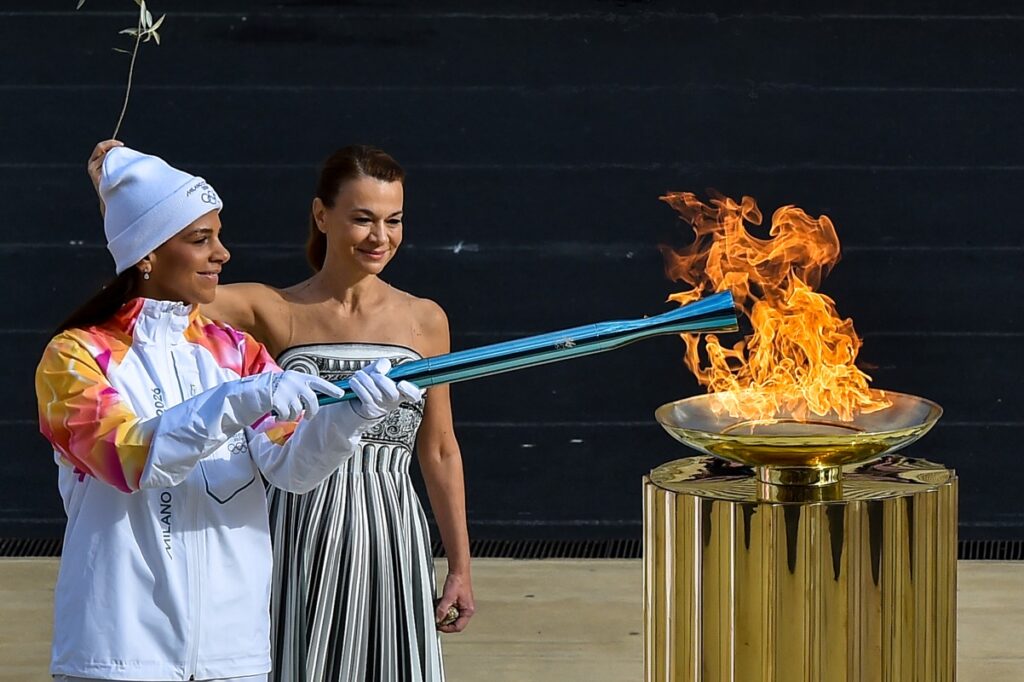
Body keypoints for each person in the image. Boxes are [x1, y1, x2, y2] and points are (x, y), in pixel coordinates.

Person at [40, 146, 421, 682]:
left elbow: (292, 470)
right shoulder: (76, 357)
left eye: (218, 235)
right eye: (201, 239)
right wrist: (236, 401)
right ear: (147, 254)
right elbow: (129, 460)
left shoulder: (237, 352)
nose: (223, 254)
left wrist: (348, 419)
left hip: (234, 653)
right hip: (120, 651)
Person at [205, 145, 473, 681]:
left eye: (393, 220)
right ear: (321, 215)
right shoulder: (272, 309)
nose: (381, 237)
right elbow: (157, 292)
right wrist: (119, 191)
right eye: (363, 219)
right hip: (296, 533)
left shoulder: (425, 319)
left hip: (392, 533)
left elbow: (439, 447)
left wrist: (461, 567)